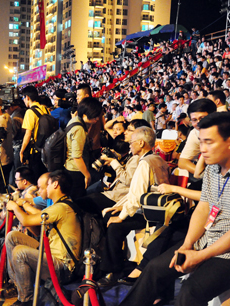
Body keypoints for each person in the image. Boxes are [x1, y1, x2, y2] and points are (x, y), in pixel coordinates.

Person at [119, 112, 230, 306]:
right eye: (201, 142)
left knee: (191, 290)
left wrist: (201, 255)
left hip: (226, 251)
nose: (202, 150)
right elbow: (203, 208)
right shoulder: (213, 168)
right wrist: (187, 246)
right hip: (207, 239)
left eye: (209, 142)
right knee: (154, 268)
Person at [97, 127, 170, 287]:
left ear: (141, 143)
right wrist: (119, 207)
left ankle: (113, 271)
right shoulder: (158, 159)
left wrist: (121, 215)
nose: (129, 145)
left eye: (131, 142)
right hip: (157, 210)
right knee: (111, 215)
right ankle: (115, 265)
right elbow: (135, 193)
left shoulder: (145, 163)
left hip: (150, 215)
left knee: (114, 225)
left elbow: (136, 195)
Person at [5, 170, 82, 306]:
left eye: (47, 185)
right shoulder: (59, 205)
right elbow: (36, 231)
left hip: (62, 267)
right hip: (50, 255)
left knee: (19, 252)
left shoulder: (61, 207)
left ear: (55, 185)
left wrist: (15, 207)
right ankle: (19, 286)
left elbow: (27, 220)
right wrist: (22, 212)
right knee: (13, 237)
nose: (44, 188)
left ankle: (26, 299)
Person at [64, 97, 103, 201]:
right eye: (95, 116)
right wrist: (87, 175)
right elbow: (77, 157)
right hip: (75, 171)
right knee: (78, 200)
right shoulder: (79, 129)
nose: (97, 119)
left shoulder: (75, 120)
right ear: (85, 115)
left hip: (70, 167)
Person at [178, 99, 217, 176]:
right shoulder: (195, 133)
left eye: (202, 118)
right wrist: (206, 176)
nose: (199, 123)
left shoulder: (225, 130)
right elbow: (183, 162)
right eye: (194, 120)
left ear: (214, 116)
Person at [20, 86, 49, 177]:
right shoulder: (45, 109)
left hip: (35, 151)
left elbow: (28, 134)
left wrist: (22, 151)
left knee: (36, 178)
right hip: (46, 149)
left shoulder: (30, 112)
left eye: (23, 98)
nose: (23, 100)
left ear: (27, 97)